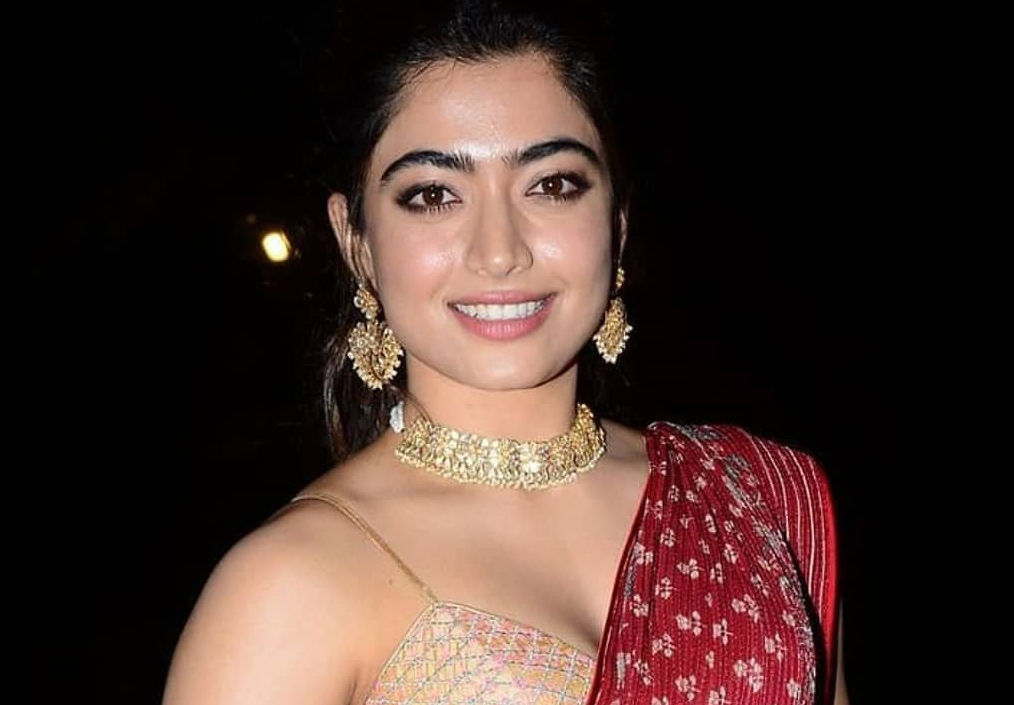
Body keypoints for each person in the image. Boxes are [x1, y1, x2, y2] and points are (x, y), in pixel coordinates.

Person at [162, 1, 849, 703]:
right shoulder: (289, 585)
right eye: (434, 195)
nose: (499, 252)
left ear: (617, 222)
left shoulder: (755, 498)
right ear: (355, 241)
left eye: (552, 185)